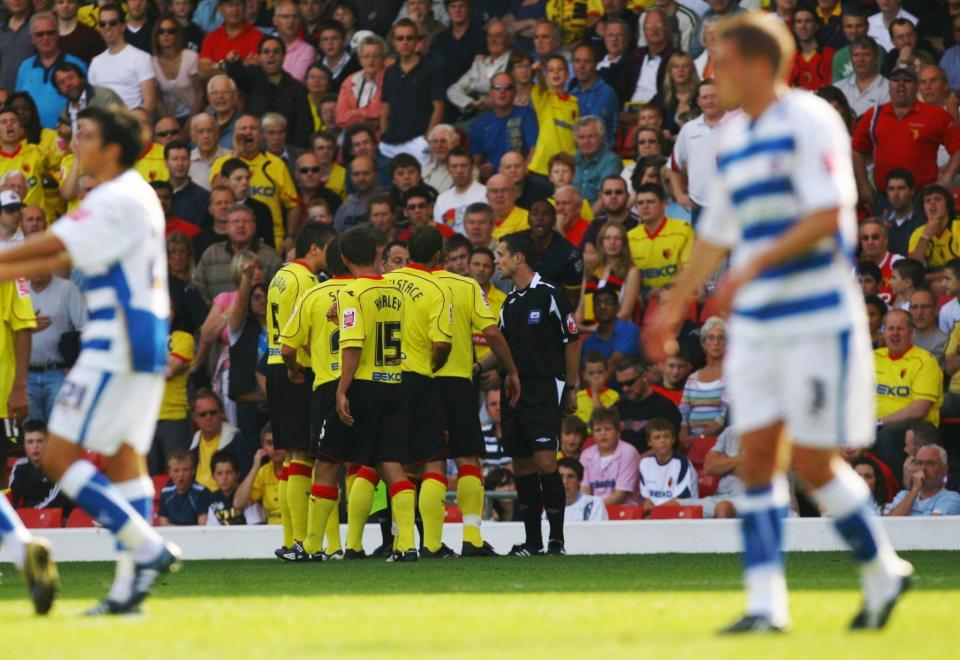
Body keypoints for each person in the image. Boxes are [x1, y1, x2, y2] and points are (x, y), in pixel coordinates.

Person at [645, 13, 911, 633]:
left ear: (758, 66)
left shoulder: (810, 119)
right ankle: (766, 604)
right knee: (759, 457)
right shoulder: (736, 138)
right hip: (759, 324)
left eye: (723, 62)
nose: (713, 74)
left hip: (815, 315)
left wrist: (752, 265)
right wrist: (674, 303)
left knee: (815, 463)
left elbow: (832, 217)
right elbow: (715, 234)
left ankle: (881, 566)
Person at [0, 105, 181, 615]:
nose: (76, 144)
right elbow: (60, 258)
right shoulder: (135, 196)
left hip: (114, 338)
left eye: (87, 137)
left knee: (58, 456)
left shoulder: (114, 196)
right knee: (125, 458)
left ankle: (146, 547)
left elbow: (54, 243)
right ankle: (130, 590)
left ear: (113, 149)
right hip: (143, 334)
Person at [307, 227, 418, 562]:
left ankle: (311, 547)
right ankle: (407, 545)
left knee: (327, 463)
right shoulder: (397, 291)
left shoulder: (351, 293)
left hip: (363, 385)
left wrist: (341, 389)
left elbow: (352, 343)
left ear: (342, 258)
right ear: (377, 254)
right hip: (393, 381)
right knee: (390, 465)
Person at [479, 231, 581, 556]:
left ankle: (557, 541)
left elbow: (572, 341)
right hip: (514, 390)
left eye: (501, 253)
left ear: (518, 257)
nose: (497, 260)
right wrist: (478, 368)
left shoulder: (550, 293)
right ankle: (533, 542)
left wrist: (571, 386)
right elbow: (502, 348)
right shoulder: (510, 301)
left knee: (546, 462)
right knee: (521, 466)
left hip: (543, 388)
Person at [434, 229, 520, 555]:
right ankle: (469, 538)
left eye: (489, 263)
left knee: (421, 462)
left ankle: (416, 541)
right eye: (476, 263)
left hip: (462, 380)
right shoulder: (465, 289)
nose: (483, 268)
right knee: (466, 455)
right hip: (460, 380)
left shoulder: (406, 286)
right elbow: (494, 334)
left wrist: (487, 369)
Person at [264, 223, 332, 560]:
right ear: (316, 248)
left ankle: (291, 540)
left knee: (292, 457)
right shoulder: (306, 282)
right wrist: (298, 368)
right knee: (305, 455)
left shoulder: (280, 275)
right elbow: (302, 332)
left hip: (274, 362)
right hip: (295, 368)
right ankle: (303, 541)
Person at [278, 239, 350, 559]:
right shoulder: (372, 291)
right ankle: (402, 542)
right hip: (371, 381)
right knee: (384, 465)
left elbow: (287, 348)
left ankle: (306, 542)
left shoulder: (298, 285)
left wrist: (294, 369)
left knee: (315, 461)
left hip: (320, 380)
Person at [0, 267, 58, 613]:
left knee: (2, 478)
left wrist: (20, 386)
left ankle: (20, 547)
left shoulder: (7, 265)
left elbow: (23, 327)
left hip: (3, 394)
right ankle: (21, 548)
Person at [852, 64, 960, 213]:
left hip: (923, 198)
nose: (901, 84)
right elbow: (857, 150)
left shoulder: (936, 115)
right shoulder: (873, 114)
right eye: (896, 79)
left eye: (907, 80)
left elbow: (958, 147)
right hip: (885, 199)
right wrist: (863, 185)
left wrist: (946, 179)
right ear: (889, 85)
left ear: (916, 86)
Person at [210, 114, 302, 248]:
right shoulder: (221, 162)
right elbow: (216, 193)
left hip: (272, 240)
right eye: (243, 129)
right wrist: (236, 153)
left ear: (261, 135)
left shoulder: (276, 164)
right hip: (231, 238)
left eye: (253, 128)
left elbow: (293, 205)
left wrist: (290, 236)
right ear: (234, 135)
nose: (248, 132)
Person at [224, 36, 313, 149]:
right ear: (259, 57)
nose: (271, 55)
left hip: (286, 150)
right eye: (266, 52)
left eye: (276, 52)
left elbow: (304, 126)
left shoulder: (297, 89)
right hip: (254, 149)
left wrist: (293, 152)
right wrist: (233, 63)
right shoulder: (251, 76)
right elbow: (236, 76)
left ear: (283, 56)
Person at [379, 19, 445, 169]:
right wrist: (383, 135)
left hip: (418, 142)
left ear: (417, 41)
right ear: (394, 43)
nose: (405, 42)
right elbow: (385, 108)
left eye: (410, 38)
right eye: (400, 38)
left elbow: (439, 108)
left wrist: (427, 139)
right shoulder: (390, 72)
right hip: (390, 143)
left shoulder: (432, 69)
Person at [25, 269, 86, 422]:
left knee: (59, 429)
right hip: (26, 374)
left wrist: (74, 365)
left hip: (59, 371)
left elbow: (84, 328)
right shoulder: (20, 292)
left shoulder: (68, 288)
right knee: (31, 433)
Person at [15, 12, 88, 130]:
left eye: (50, 33)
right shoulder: (25, 67)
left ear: (58, 34)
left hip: (65, 137)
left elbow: (87, 103)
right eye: (39, 34)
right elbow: (18, 103)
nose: (45, 38)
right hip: (31, 138)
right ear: (32, 38)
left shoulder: (76, 65)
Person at [668, 79, 726, 227]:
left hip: (730, 206)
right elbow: (673, 167)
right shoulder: (688, 129)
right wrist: (679, 194)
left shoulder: (737, 124)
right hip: (699, 206)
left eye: (714, 96)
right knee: (701, 250)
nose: (709, 101)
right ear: (698, 102)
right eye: (704, 97)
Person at [627, 183, 693, 300]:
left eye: (650, 202)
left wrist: (665, 289)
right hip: (644, 299)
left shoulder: (683, 230)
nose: (645, 206)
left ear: (663, 204)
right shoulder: (630, 237)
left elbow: (690, 272)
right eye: (640, 203)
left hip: (677, 297)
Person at [468, 71, 538, 179]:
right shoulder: (480, 124)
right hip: (493, 183)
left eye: (508, 87)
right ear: (490, 92)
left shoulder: (526, 114)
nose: (502, 91)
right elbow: (476, 162)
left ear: (515, 92)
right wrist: (480, 172)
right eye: (497, 87)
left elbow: (535, 149)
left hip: (522, 181)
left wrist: (523, 173)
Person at [88, 4, 157, 112]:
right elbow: (91, 100)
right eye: (102, 24)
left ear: (123, 26)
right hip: (103, 124)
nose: (107, 27)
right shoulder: (95, 63)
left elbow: (150, 101)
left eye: (113, 23)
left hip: (133, 124)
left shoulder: (141, 58)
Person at [613, 357, 682, 454]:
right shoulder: (617, 408)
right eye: (621, 385)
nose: (625, 389)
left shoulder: (665, 407)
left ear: (644, 375)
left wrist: (639, 460)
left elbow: (670, 444)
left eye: (630, 383)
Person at [445, 17, 511, 118]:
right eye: (490, 36)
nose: (493, 40)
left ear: (508, 39)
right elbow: (453, 90)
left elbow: (496, 87)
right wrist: (472, 102)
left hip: (505, 114)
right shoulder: (479, 64)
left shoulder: (515, 60)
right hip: (479, 114)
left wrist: (473, 88)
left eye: (498, 36)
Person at [579, 406, 640, 505]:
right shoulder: (586, 455)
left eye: (607, 429)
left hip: (624, 510)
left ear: (618, 432)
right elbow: (584, 489)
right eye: (598, 430)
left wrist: (594, 508)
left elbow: (620, 495)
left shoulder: (628, 452)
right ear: (593, 435)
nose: (603, 433)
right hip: (594, 512)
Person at [525, 200, 582, 304]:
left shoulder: (570, 253)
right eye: (535, 213)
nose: (540, 218)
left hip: (553, 309)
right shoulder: (515, 245)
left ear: (554, 219)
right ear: (528, 219)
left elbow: (572, 298)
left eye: (546, 214)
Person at [638, 418, 698, 514]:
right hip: (654, 515)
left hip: (682, 514)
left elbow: (680, 500)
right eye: (657, 437)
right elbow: (647, 500)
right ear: (649, 442)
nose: (662, 441)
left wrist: (655, 514)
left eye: (666, 436)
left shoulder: (683, 463)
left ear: (673, 440)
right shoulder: (645, 463)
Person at [9, 419, 71, 510]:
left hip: (59, 516)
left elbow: (55, 500)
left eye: (40, 441)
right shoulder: (19, 467)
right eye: (30, 442)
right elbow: (11, 496)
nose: (35, 446)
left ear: (48, 443)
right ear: (24, 445)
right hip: (30, 518)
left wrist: (30, 513)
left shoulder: (58, 467)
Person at [234, 423, 286, 526]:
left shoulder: (300, 468)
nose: (275, 447)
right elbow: (238, 504)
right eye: (270, 443)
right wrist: (255, 467)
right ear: (263, 446)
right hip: (272, 531)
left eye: (279, 442)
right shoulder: (263, 472)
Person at [152, 16, 203, 121]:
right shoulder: (152, 63)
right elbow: (158, 100)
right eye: (161, 31)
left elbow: (200, 94)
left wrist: (189, 126)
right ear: (156, 36)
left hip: (194, 116)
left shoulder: (190, 56)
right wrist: (169, 125)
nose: (166, 35)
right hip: (169, 119)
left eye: (170, 31)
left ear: (177, 35)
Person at [569, 43, 619, 148]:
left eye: (587, 61)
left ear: (596, 64)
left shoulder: (606, 92)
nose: (581, 66)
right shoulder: (572, 93)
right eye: (577, 61)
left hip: (601, 156)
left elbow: (591, 127)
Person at [887, 445, 960, 516]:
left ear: (945, 470)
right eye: (919, 463)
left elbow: (934, 526)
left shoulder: (952, 498)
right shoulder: (903, 495)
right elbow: (891, 522)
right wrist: (914, 489)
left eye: (930, 464)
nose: (923, 469)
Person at [198, 0, 262, 79]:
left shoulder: (258, 36)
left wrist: (216, 66)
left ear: (245, 7)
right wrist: (233, 66)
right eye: (229, 5)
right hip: (217, 89)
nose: (234, 9)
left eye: (238, 4)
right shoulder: (211, 37)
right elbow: (202, 71)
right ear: (220, 9)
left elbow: (255, 66)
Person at [580, 287, 640, 372]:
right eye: (597, 303)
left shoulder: (630, 330)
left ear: (618, 307)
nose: (602, 306)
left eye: (608, 302)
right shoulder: (588, 343)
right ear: (593, 309)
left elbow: (614, 363)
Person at [334, 34, 385, 131]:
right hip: (354, 138)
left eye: (376, 56)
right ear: (360, 60)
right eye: (366, 56)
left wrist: (354, 113)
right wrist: (366, 116)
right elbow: (340, 118)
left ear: (382, 59)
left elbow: (378, 113)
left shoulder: (389, 79)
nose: (371, 60)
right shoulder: (349, 81)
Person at [571, 116, 622, 207]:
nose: (586, 141)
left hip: (597, 217)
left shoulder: (611, 161)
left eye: (591, 136)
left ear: (602, 138)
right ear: (576, 140)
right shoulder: (572, 158)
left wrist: (588, 219)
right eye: (581, 137)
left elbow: (604, 199)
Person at [206, 449, 263, 525]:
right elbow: (212, 530)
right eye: (219, 473)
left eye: (229, 472)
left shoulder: (246, 495)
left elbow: (254, 529)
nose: (224, 478)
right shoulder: (214, 498)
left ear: (237, 475)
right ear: (213, 477)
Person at [156, 450, 212, 525]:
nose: (181, 474)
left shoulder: (202, 493)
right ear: (169, 473)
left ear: (193, 471)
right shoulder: (165, 493)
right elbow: (163, 525)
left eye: (185, 470)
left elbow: (202, 529)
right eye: (176, 471)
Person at [881, 169, 924, 258]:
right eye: (891, 189)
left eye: (901, 188)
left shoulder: (924, 220)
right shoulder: (880, 221)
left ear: (912, 191)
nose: (896, 193)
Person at [574, 351, 619, 428]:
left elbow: (601, 421)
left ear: (606, 373)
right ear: (584, 375)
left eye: (600, 372)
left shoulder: (614, 396)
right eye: (591, 373)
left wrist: (595, 393)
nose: (596, 376)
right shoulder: (578, 397)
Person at [558, 457, 608, 521]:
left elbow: (598, 531)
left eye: (570, 476)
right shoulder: (550, 506)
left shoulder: (594, 504)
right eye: (560, 476)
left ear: (579, 480)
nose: (565, 481)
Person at [909, 288, 947, 361]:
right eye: (914, 307)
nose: (919, 313)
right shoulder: (903, 337)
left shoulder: (944, 342)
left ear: (936, 310)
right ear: (909, 310)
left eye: (925, 307)